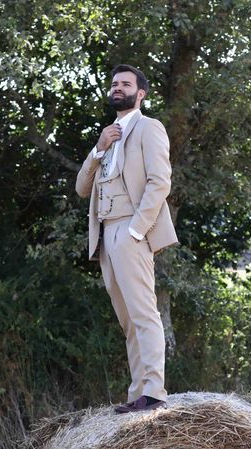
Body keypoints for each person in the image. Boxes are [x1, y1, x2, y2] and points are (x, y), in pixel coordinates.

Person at [75, 64, 179, 413]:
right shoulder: (107, 135)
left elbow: (160, 182)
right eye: (114, 83)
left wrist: (137, 230)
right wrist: (98, 148)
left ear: (141, 93)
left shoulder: (150, 128)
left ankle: (154, 392)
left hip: (130, 230)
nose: (118, 88)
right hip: (105, 233)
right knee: (126, 317)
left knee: (144, 312)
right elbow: (81, 188)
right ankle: (138, 394)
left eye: (126, 84)